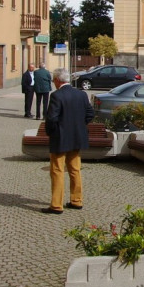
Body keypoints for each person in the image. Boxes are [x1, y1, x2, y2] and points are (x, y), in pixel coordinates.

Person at [42, 68, 94, 214]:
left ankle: (56, 205)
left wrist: (51, 132)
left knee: (57, 171)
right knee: (75, 170)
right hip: (77, 137)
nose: (53, 83)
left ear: (58, 80)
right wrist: (79, 125)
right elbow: (90, 113)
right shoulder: (81, 94)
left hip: (60, 138)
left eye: (53, 80)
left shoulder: (56, 96)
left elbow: (51, 118)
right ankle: (76, 201)